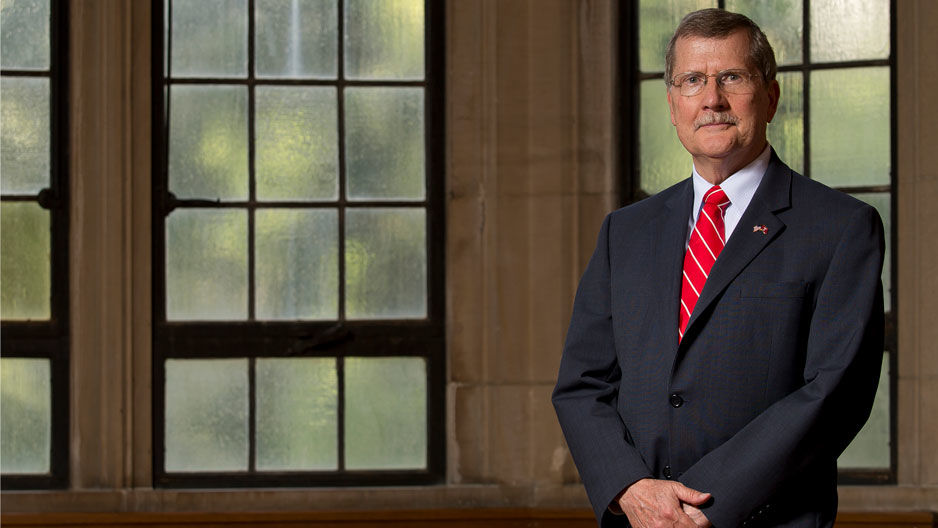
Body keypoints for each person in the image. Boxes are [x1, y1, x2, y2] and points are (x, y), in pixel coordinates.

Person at [552, 8, 884, 528]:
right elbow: (581, 383)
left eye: (732, 77)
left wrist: (699, 507)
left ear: (770, 96)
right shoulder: (626, 232)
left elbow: (834, 395)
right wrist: (631, 488)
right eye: (692, 81)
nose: (712, 100)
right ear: (672, 104)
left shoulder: (842, 228)